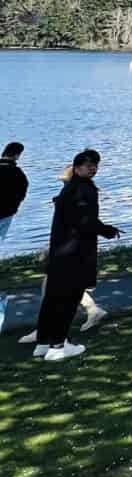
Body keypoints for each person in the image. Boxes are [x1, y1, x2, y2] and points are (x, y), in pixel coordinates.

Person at [32, 150, 120, 362]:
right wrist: (106, 230)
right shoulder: (82, 190)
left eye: (95, 164)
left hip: (60, 251)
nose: (93, 168)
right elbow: (84, 221)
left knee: (53, 298)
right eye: (88, 164)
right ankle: (59, 345)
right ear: (77, 167)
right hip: (74, 253)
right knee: (68, 299)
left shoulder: (69, 188)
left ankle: (44, 343)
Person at [0, 141, 28, 336]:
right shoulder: (18, 175)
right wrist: (13, 208)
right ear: (17, 155)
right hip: (4, 215)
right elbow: (21, 194)